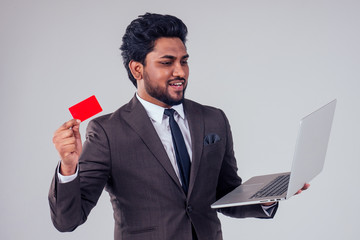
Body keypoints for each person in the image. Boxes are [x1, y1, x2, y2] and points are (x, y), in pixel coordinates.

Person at [49, 13, 309, 240]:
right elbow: (67, 220)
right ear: (137, 69)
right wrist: (69, 167)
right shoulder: (107, 131)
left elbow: (225, 194)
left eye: (184, 61)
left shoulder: (213, 118)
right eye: (167, 62)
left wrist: (266, 196)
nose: (180, 72)